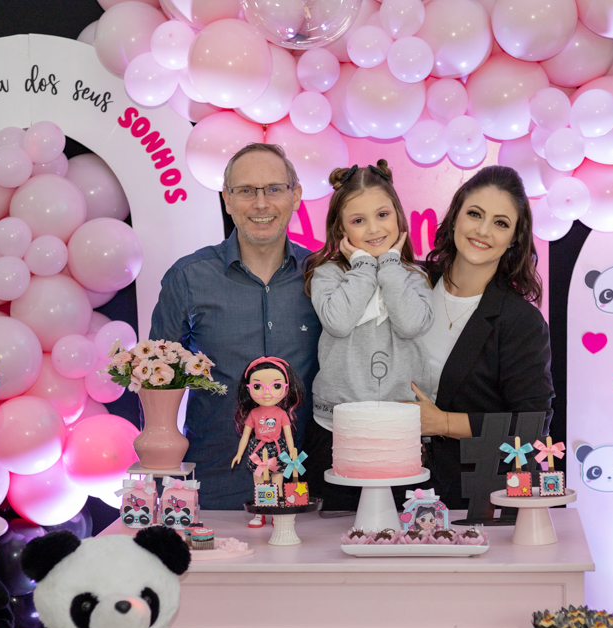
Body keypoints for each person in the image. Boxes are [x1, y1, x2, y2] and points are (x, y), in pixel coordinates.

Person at [150, 144, 321, 509]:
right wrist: (161, 477)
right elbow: (155, 382)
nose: (261, 203)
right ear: (227, 199)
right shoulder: (188, 278)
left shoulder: (322, 277)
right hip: (213, 486)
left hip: (306, 487)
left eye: (274, 189)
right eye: (246, 191)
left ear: (295, 196)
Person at [407, 165, 555, 509]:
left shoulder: (520, 321)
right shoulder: (410, 283)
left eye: (501, 223)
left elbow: (532, 426)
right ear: (455, 217)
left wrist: (442, 423)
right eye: (475, 214)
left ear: (515, 237)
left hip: (473, 500)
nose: (483, 230)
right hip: (389, 485)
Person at [302, 161, 433, 509]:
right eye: (358, 221)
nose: (374, 228)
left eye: (383, 215)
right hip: (335, 426)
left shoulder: (415, 277)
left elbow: (410, 324)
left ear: (398, 217)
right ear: (340, 229)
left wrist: (389, 264)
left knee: (397, 523)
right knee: (333, 523)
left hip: (399, 427)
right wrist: (362, 266)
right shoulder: (327, 274)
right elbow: (339, 322)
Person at [230, 356, 304, 525]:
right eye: (258, 387)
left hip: (278, 449)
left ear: (286, 389)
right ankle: (260, 512)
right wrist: (239, 453)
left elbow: (288, 435)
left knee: (277, 481)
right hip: (257, 450)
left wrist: (292, 453)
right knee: (259, 482)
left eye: (276, 386)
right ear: (248, 389)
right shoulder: (253, 413)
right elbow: (246, 435)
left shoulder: (281, 413)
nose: (267, 392)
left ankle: (277, 512)